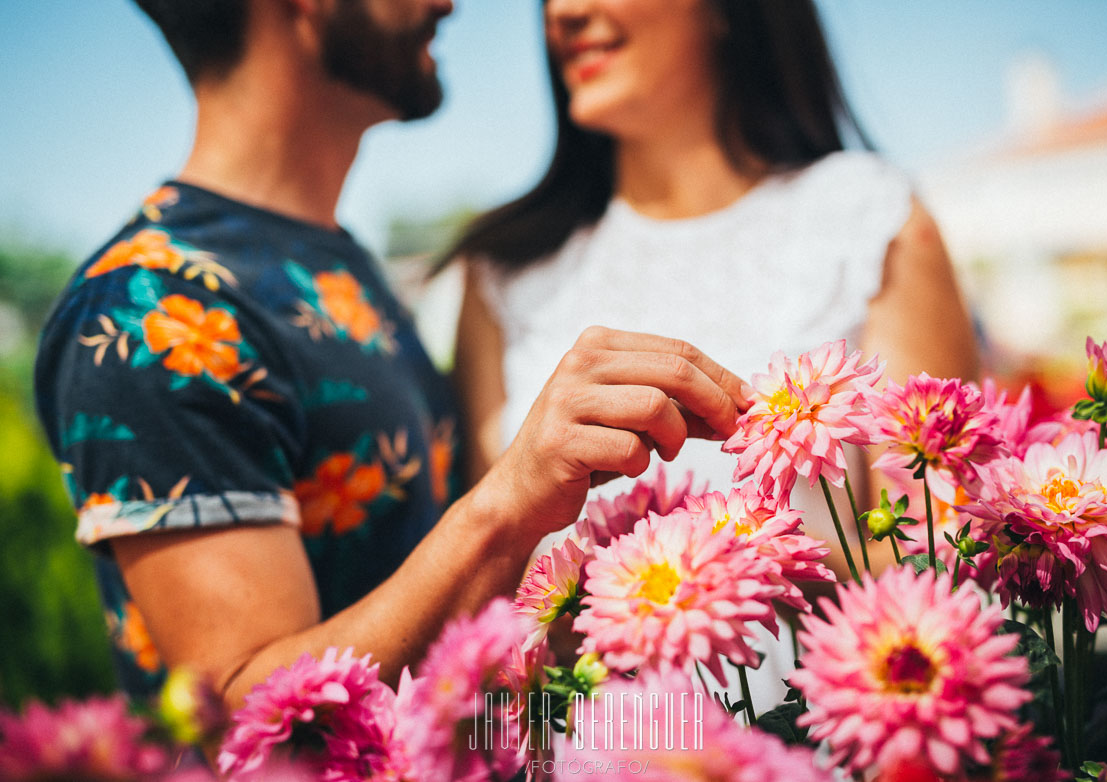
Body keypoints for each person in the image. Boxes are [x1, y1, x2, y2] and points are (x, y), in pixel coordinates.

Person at [33, 0, 749, 715]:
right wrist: (508, 501)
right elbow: (240, 716)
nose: (448, 4)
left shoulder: (332, 271)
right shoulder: (150, 308)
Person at [448, 0, 979, 694]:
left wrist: (734, 573)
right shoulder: (502, 269)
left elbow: (937, 564)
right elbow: (483, 587)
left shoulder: (867, 219)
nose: (567, 12)